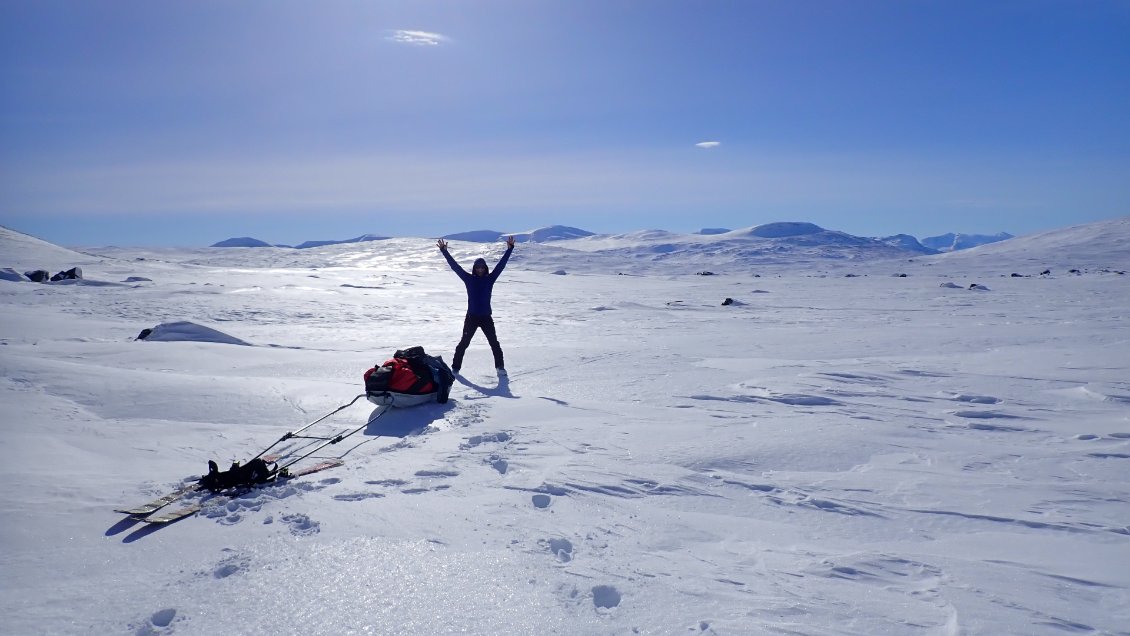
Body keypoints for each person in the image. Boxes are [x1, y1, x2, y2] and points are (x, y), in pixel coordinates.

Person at [437, 235, 515, 375]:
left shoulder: (490, 279)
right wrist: (444, 251)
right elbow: (455, 267)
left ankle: (500, 367)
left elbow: (501, 266)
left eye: (482, 267)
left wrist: (509, 250)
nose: (480, 270)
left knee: (494, 343)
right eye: (478, 267)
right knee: (464, 343)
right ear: (474, 268)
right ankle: (455, 368)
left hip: (486, 318)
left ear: (485, 268)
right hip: (471, 317)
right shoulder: (468, 279)